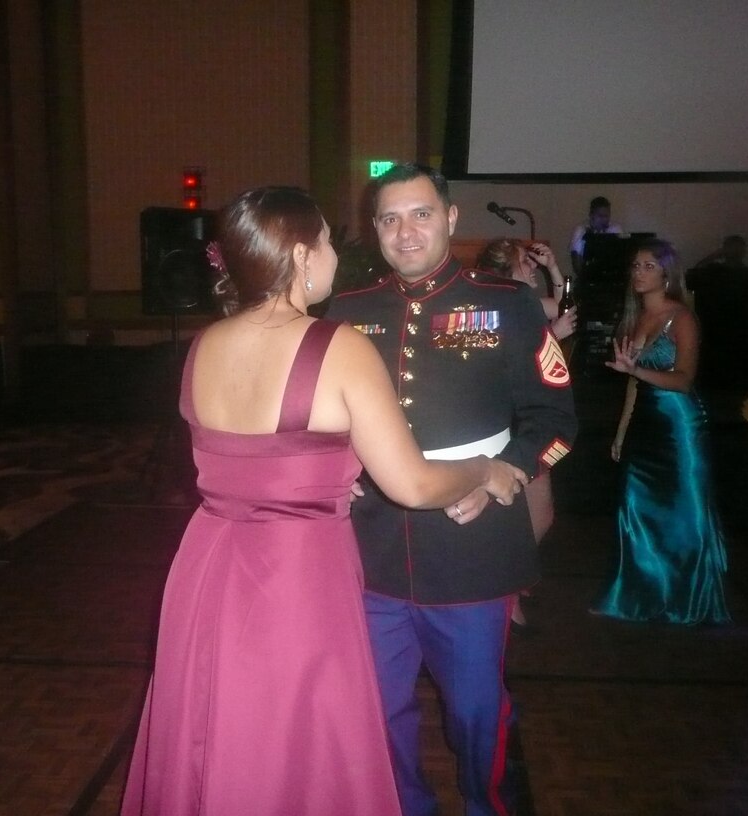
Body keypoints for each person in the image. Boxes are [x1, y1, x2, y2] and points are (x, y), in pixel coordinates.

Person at [119, 186, 529, 816]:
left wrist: (334, 468)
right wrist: (482, 469)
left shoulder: (203, 346)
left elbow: (261, 458)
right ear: (305, 256)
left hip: (207, 568)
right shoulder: (337, 345)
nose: (339, 255)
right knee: (299, 739)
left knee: (222, 723)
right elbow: (412, 484)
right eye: (332, 242)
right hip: (296, 573)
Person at [325, 164, 578, 816]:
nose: (405, 232)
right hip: (374, 550)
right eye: (389, 218)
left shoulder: (507, 302)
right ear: (373, 227)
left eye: (421, 214)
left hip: (473, 545)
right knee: (377, 711)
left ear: (451, 218)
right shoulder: (349, 311)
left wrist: (508, 472)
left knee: (475, 713)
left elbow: (556, 422)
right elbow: (327, 415)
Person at [591, 238, 731, 625]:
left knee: (684, 516)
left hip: (680, 427)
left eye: (649, 266)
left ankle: (687, 601)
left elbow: (684, 380)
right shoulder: (635, 317)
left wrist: (634, 370)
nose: (639, 272)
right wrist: (621, 432)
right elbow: (632, 386)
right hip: (646, 425)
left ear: (667, 273)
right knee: (635, 509)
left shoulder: (681, 317)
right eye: (636, 266)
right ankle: (638, 597)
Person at [477, 237, 578, 630]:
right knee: (533, 509)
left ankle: (507, 585)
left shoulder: (524, 299)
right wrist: (555, 333)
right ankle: (503, 587)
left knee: (539, 512)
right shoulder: (502, 302)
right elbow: (505, 359)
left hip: (534, 414)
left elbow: (572, 308)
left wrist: (555, 269)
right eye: (526, 262)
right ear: (506, 267)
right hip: (517, 415)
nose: (531, 266)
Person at [685, 235, 748, 387]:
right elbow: (691, 277)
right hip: (715, 330)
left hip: (741, 331)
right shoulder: (713, 271)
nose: (735, 252)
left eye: (738, 248)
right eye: (731, 248)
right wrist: (712, 257)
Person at [568, 195, 622, 278]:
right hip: (586, 278)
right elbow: (576, 260)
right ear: (591, 215)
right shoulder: (581, 230)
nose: (604, 220)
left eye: (606, 216)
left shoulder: (615, 229)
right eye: (600, 216)